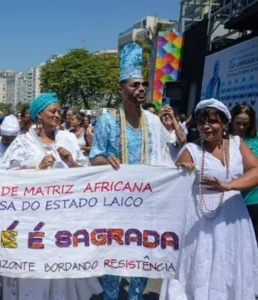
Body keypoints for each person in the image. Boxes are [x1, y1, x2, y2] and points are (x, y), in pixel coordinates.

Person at [90, 43, 185, 300]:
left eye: (143, 84)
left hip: (146, 203)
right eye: (134, 84)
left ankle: (135, 296)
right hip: (113, 202)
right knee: (112, 251)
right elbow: (94, 157)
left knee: (144, 250)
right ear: (121, 89)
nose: (141, 88)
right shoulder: (107, 120)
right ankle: (111, 295)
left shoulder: (153, 122)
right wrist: (105, 160)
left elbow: (171, 152)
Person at [0, 93, 102, 299]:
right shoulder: (23, 143)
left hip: (63, 221)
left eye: (58, 111)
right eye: (52, 111)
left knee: (60, 272)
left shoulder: (69, 139)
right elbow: (4, 178)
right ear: (38, 115)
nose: (57, 115)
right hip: (31, 223)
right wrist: (38, 168)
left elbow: (86, 175)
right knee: (34, 275)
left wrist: (71, 162)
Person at [160, 99, 258, 299]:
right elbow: (172, 187)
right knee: (199, 266)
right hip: (199, 219)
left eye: (212, 122)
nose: (206, 127)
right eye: (201, 122)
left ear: (224, 124)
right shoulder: (191, 150)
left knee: (228, 263)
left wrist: (229, 186)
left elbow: (256, 170)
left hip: (233, 216)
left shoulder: (237, 144)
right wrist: (183, 173)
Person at [229, 104, 258, 243]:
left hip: (253, 201)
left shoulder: (256, 140)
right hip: (230, 199)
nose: (241, 127)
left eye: (245, 124)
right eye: (238, 123)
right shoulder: (223, 140)